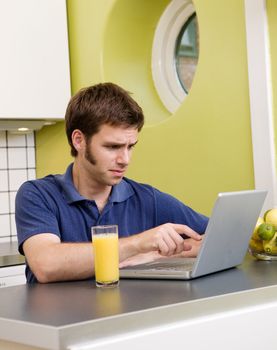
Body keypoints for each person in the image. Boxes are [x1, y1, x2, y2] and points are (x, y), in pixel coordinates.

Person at [15, 82, 208, 283]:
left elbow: (217, 239)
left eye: (130, 146)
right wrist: (137, 245)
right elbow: (47, 265)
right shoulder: (37, 195)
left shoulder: (148, 199)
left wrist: (155, 256)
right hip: (61, 315)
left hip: (126, 314)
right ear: (79, 140)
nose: (125, 159)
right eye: (113, 146)